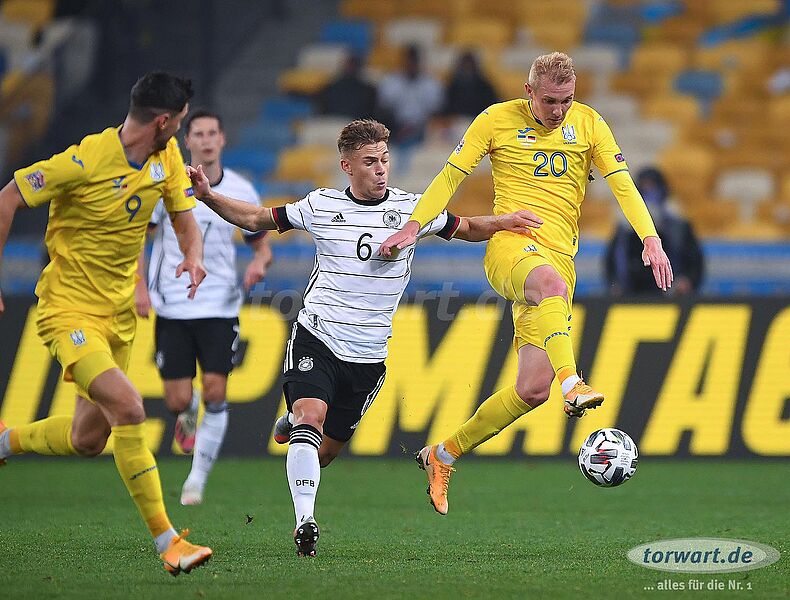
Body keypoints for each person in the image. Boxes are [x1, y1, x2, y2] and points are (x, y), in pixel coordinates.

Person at [186, 119, 542, 558]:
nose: (380, 169)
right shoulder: (321, 205)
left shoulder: (413, 210)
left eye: (385, 160)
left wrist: (503, 222)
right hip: (318, 334)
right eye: (370, 162)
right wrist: (209, 196)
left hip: (368, 357)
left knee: (324, 453)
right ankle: (305, 520)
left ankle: (293, 424)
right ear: (347, 166)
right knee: (311, 417)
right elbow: (258, 218)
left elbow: (465, 227)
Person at [379, 52, 674, 515]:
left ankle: (443, 454)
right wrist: (413, 226)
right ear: (529, 92)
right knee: (550, 288)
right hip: (511, 247)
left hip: (559, 258)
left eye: (567, 100)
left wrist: (651, 239)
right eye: (550, 101)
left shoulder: (589, 124)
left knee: (533, 389)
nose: (559, 110)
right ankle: (573, 383)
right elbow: (450, 177)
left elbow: (623, 186)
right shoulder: (496, 120)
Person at [0, 72, 213, 575]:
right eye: (180, 122)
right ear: (162, 121)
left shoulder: (167, 156)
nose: (182, 131)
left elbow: (182, 216)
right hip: (69, 310)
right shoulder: (84, 161)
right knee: (129, 406)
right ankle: (168, 542)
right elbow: (7, 197)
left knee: (87, 440)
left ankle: (5, 442)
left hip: (118, 318)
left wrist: (194, 255)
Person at [135, 109, 273, 506]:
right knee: (178, 400)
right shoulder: (167, 184)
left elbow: (260, 245)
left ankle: (195, 480)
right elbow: (140, 239)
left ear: (222, 139)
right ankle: (187, 410)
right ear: (187, 141)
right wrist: (140, 287)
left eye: (213, 133)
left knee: (216, 390)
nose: (207, 140)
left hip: (220, 305)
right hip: (173, 304)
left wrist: (259, 265)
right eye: (199, 133)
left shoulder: (242, 189)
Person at [606, 167, 703, 296]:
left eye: (653, 187)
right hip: (632, 294)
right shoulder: (624, 228)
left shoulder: (678, 226)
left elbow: (695, 262)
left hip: (670, 296)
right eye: (644, 188)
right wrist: (615, 284)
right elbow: (612, 261)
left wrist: (687, 281)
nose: (649, 193)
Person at [376, 45, 443, 147]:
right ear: (403, 62)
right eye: (409, 61)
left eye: (414, 62)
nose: (411, 65)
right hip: (395, 127)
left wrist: (413, 127)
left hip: (422, 129)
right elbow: (384, 107)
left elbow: (436, 111)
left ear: (419, 63)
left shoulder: (431, 84)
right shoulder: (391, 81)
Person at [315, 54, 377, 119]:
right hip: (332, 122)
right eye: (349, 65)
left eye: (352, 66)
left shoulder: (368, 91)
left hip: (353, 122)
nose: (350, 68)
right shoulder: (329, 88)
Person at [442, 51, 499, 119]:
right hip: (457, 119)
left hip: (478, 118)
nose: (467, 68)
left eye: (469, 65)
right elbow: (447, 105)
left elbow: (491, 105)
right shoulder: (453, 85)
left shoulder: (483, 85)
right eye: (465, 65)